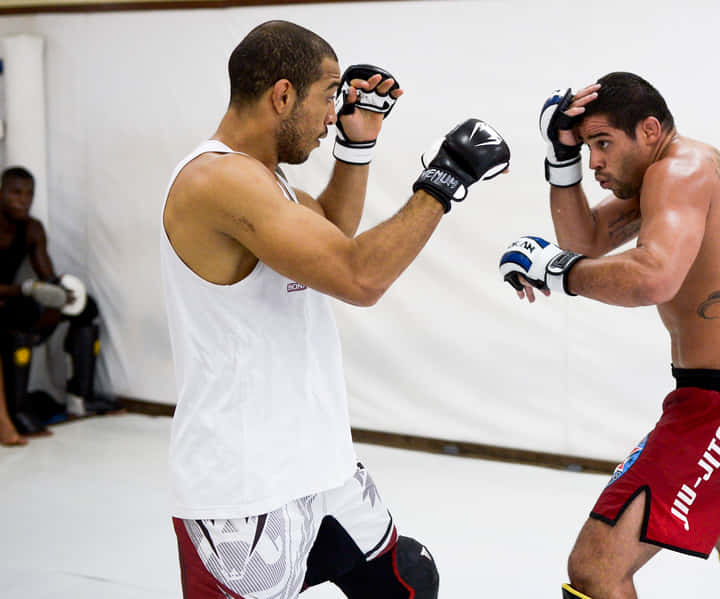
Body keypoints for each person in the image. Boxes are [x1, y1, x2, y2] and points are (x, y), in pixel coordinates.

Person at [161, 20, 509, 599]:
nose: (332, 111)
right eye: (329, 96)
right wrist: (444, 179)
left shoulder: (265, 182)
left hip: (319, 467)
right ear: (281, 95)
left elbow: (330, 232)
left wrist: (357, 140)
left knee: (407, 581)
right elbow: (358, 274)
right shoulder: (217, 180)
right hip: (243, 493)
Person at [499, 73, 720, 599]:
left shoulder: (677, 173)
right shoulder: (687, 165)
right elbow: (586, 242)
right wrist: (560, 162)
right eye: (588, 147)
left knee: (596, 567)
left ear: (651, 129)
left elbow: (652, 276)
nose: (595, 162)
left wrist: (558, 273)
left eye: (603, 143)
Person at [0, 166, 112, 439]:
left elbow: (46, 275)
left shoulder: (32, 228)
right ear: (1, 193)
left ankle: (80, 399)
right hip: (9, 301)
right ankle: (16, 411)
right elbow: (29, 289)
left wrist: (60, 294)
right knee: (23, 313)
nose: (23, 200)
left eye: (29, 194)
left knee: (87, 308)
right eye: (16, 193)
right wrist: (26, 290)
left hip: (16, 298)